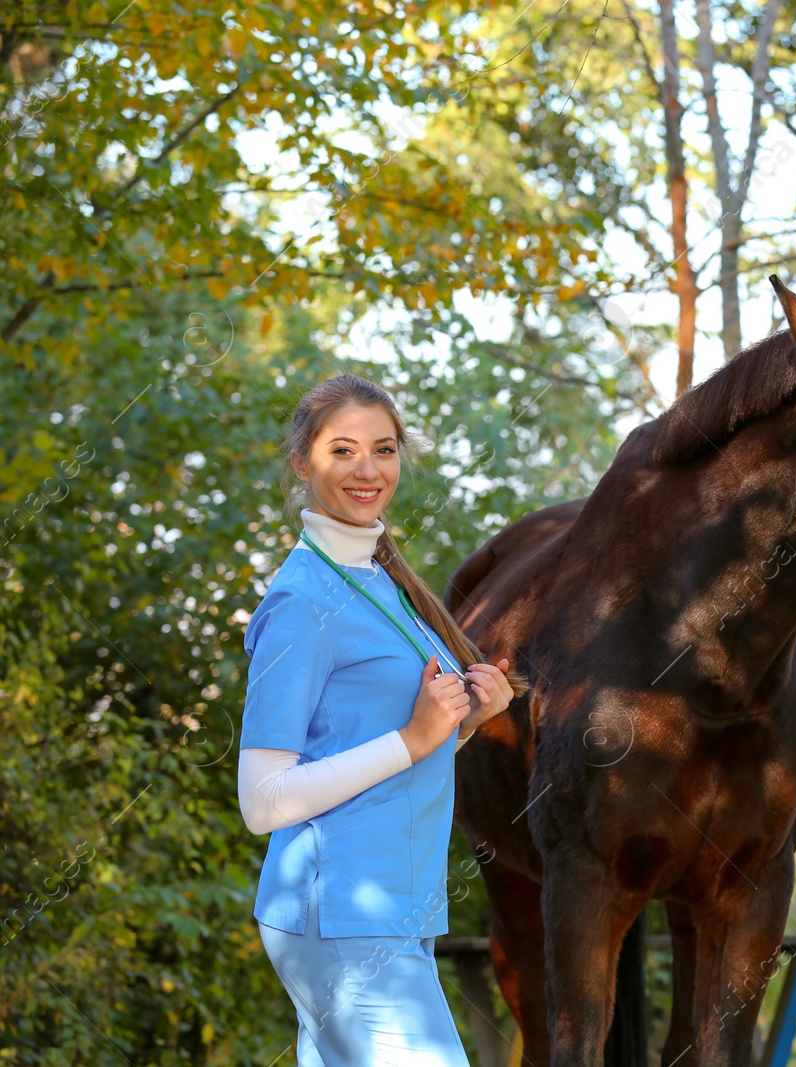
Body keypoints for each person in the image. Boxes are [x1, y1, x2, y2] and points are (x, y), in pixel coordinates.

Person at [237, 373, 529, 1066]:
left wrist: (462, 718)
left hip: (396, 909)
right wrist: (413, 736)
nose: (368, 469)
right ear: (304, 462)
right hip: (340, 919)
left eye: (384, 448)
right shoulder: (301, 602)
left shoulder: (379, 580)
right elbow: (262, 799)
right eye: (343, 450)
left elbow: (387, 751)